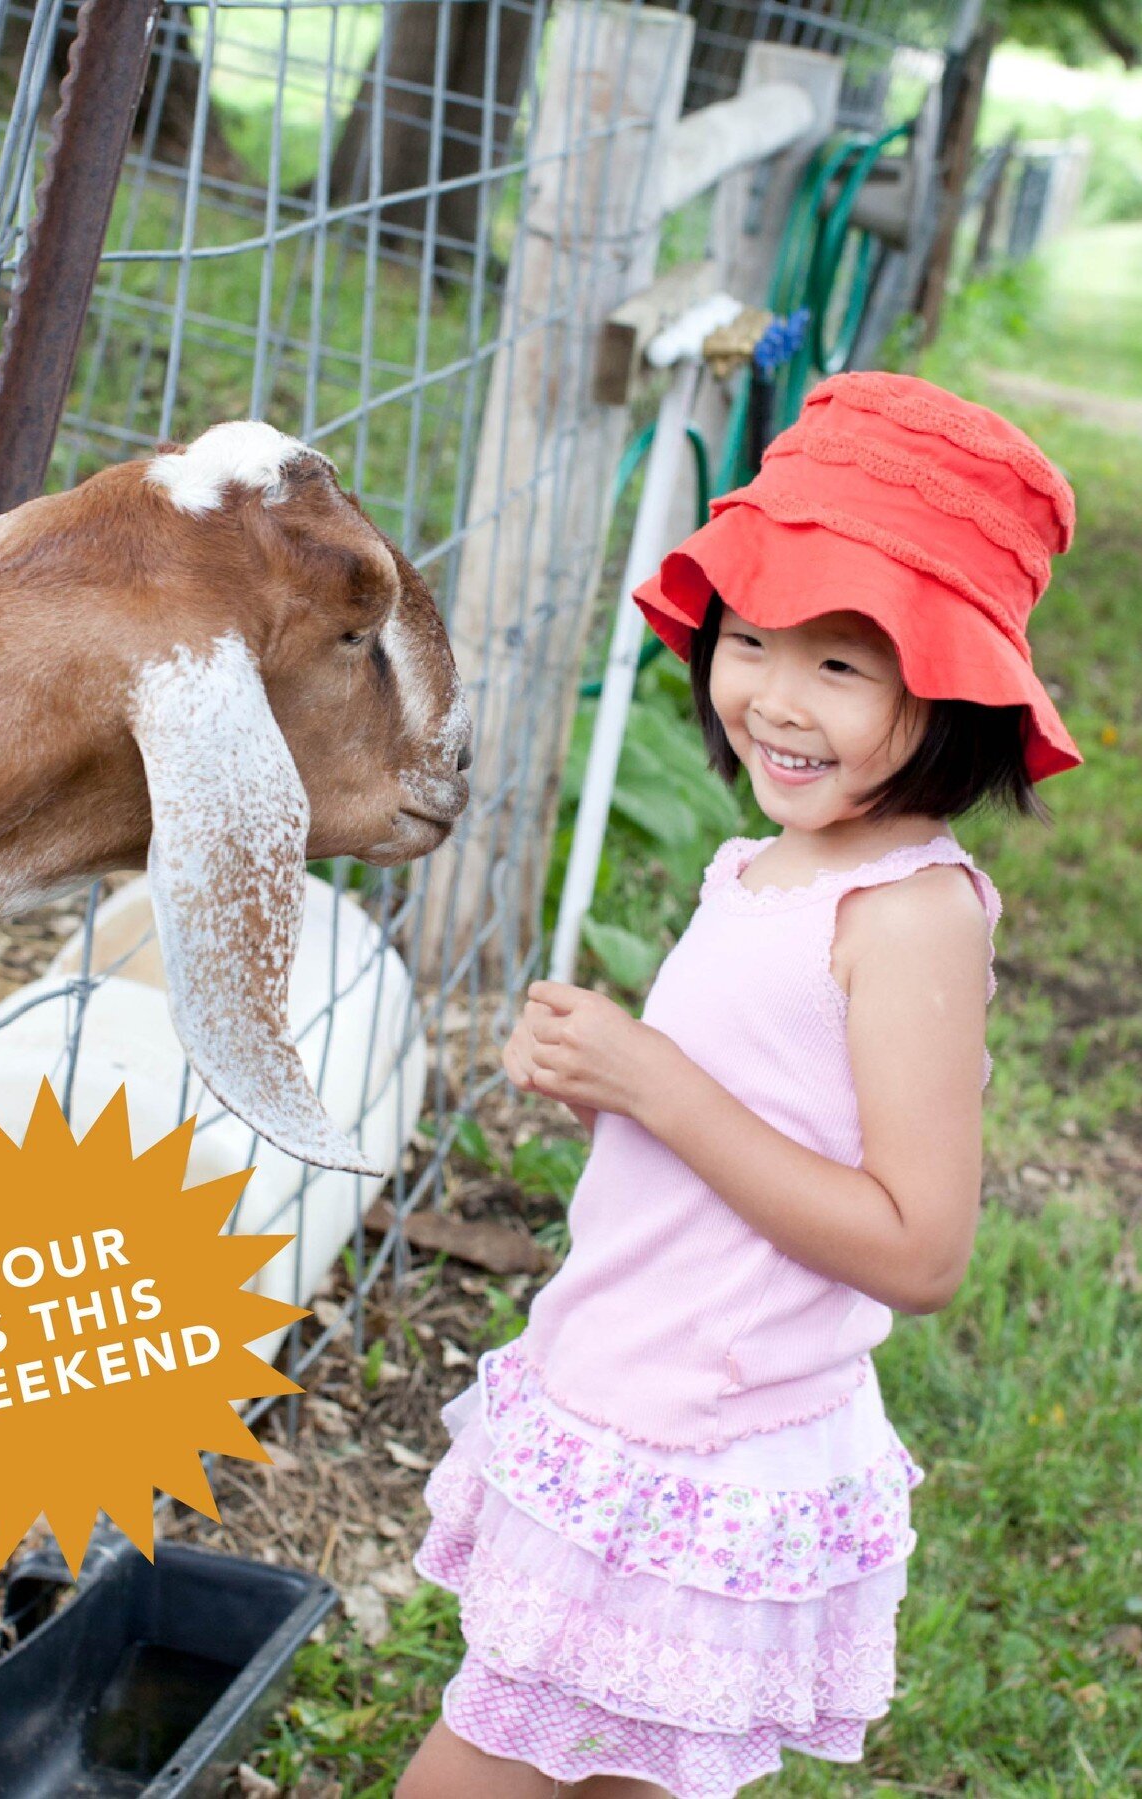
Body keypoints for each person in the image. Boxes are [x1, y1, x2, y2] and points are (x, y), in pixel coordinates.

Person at [399, 371, 1082, 1799]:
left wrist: (665, 1087)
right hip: (624, 1383)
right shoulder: (759, 868)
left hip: (706, 1443)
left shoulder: (908, 917)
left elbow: (920, 1246)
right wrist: (610, 1091)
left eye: (842, 665)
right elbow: (741, 1130)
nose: (775, 694)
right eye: (754, 638)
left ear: (945, 686)